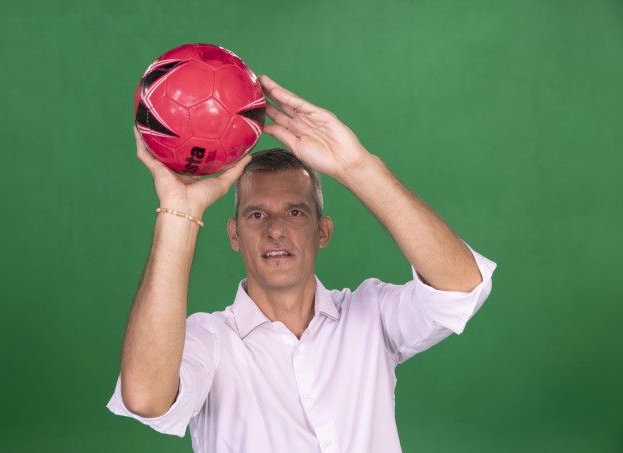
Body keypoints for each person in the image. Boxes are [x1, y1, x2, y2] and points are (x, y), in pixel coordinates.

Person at [106, 74, 498, 452]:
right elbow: (146, 398)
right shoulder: (209, 340)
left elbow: (462, 285)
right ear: (234, 235)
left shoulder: (371, 316)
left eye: (295, 213)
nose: (276, 230)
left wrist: (358, 167)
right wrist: (180, 210)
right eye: (257, 215)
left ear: (322, 231)